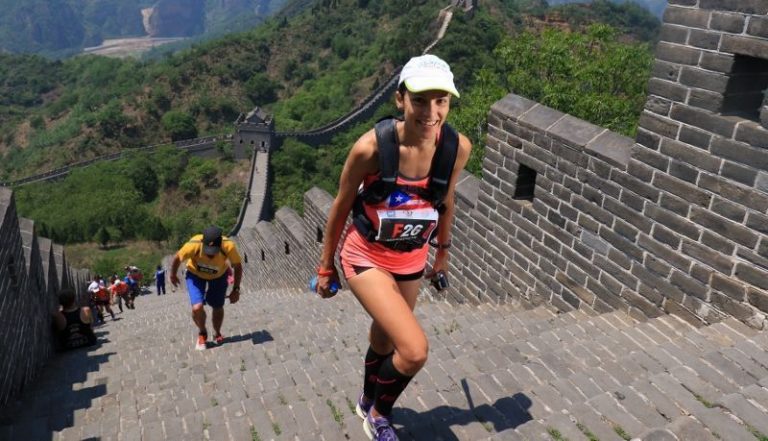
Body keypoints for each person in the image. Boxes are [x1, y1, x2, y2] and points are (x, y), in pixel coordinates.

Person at [314, 54, 470, 441]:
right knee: (414, 350)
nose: (431, 113)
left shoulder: (456, 149)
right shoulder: (371, 148)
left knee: (385, 338)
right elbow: (341, 206)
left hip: (412, 257)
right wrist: (325, 266)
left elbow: (446, 200)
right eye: (420, 100)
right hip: (365, 255)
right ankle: (379, 415)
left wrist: (442, 255)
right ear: (400, 99)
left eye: (441, 101)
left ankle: (367, 398)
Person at [170, 225, 243, 350]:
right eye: (208, 251)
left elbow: (238, 266)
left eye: (213, 251)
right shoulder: (194, 244)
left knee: (217, 306)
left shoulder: (228, 246)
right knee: (197, 307)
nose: (210, 255)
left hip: (219, 276)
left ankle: (217, 333)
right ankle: (202, 332)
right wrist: (173, 275)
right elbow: (177, 257)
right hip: (195, 275)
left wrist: (236, 289)